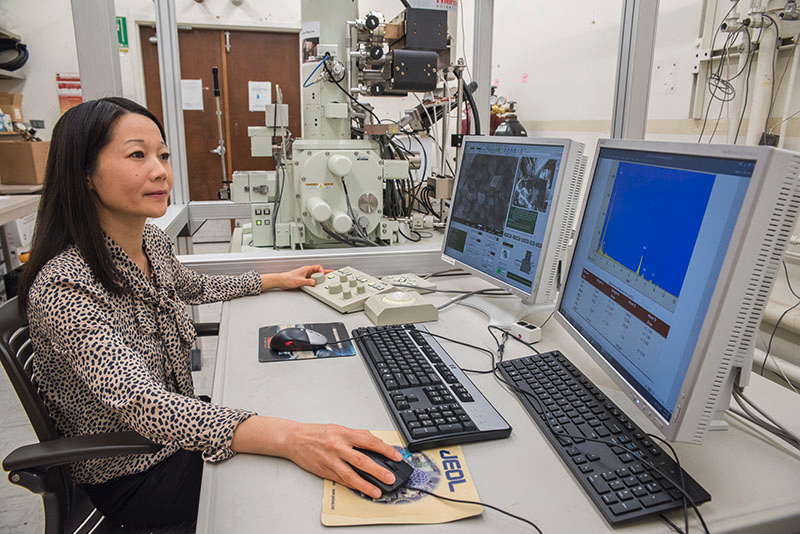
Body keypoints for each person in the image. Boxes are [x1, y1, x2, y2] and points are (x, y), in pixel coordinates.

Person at [17, 97, 402, 528]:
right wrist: (292, 438)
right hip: (135, 471)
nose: (161, 170)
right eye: (137, 155)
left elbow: (195, 287)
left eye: (162, 155)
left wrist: (275, 280)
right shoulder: (65, 286)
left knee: (303, 426)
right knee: (292, 487)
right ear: (85, 174)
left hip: (178, 436)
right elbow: (140, 401)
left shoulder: (150, 243)